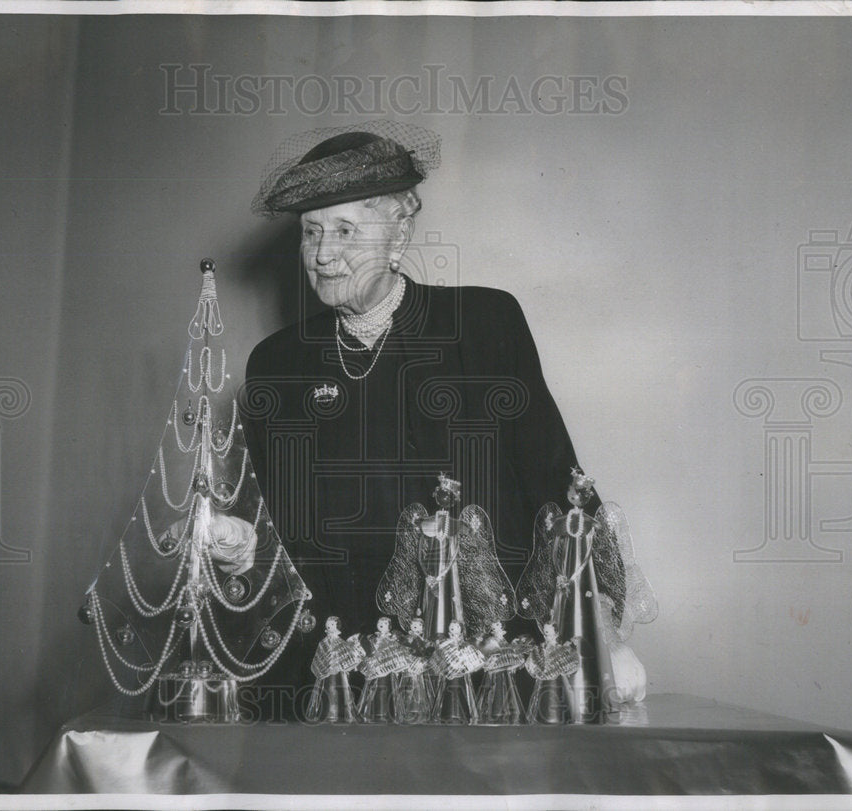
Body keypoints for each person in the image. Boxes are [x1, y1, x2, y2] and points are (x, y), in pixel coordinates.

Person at [241, 121, 604, 715]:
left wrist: (602, 639)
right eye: (311, 232)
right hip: (336, 674)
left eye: (344, 230)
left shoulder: (484, 326)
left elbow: (559, 489)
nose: (325, 253)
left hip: (483, 672)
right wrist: (235, 544)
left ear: (399, 232)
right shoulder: (277, 364)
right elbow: (270, 534)